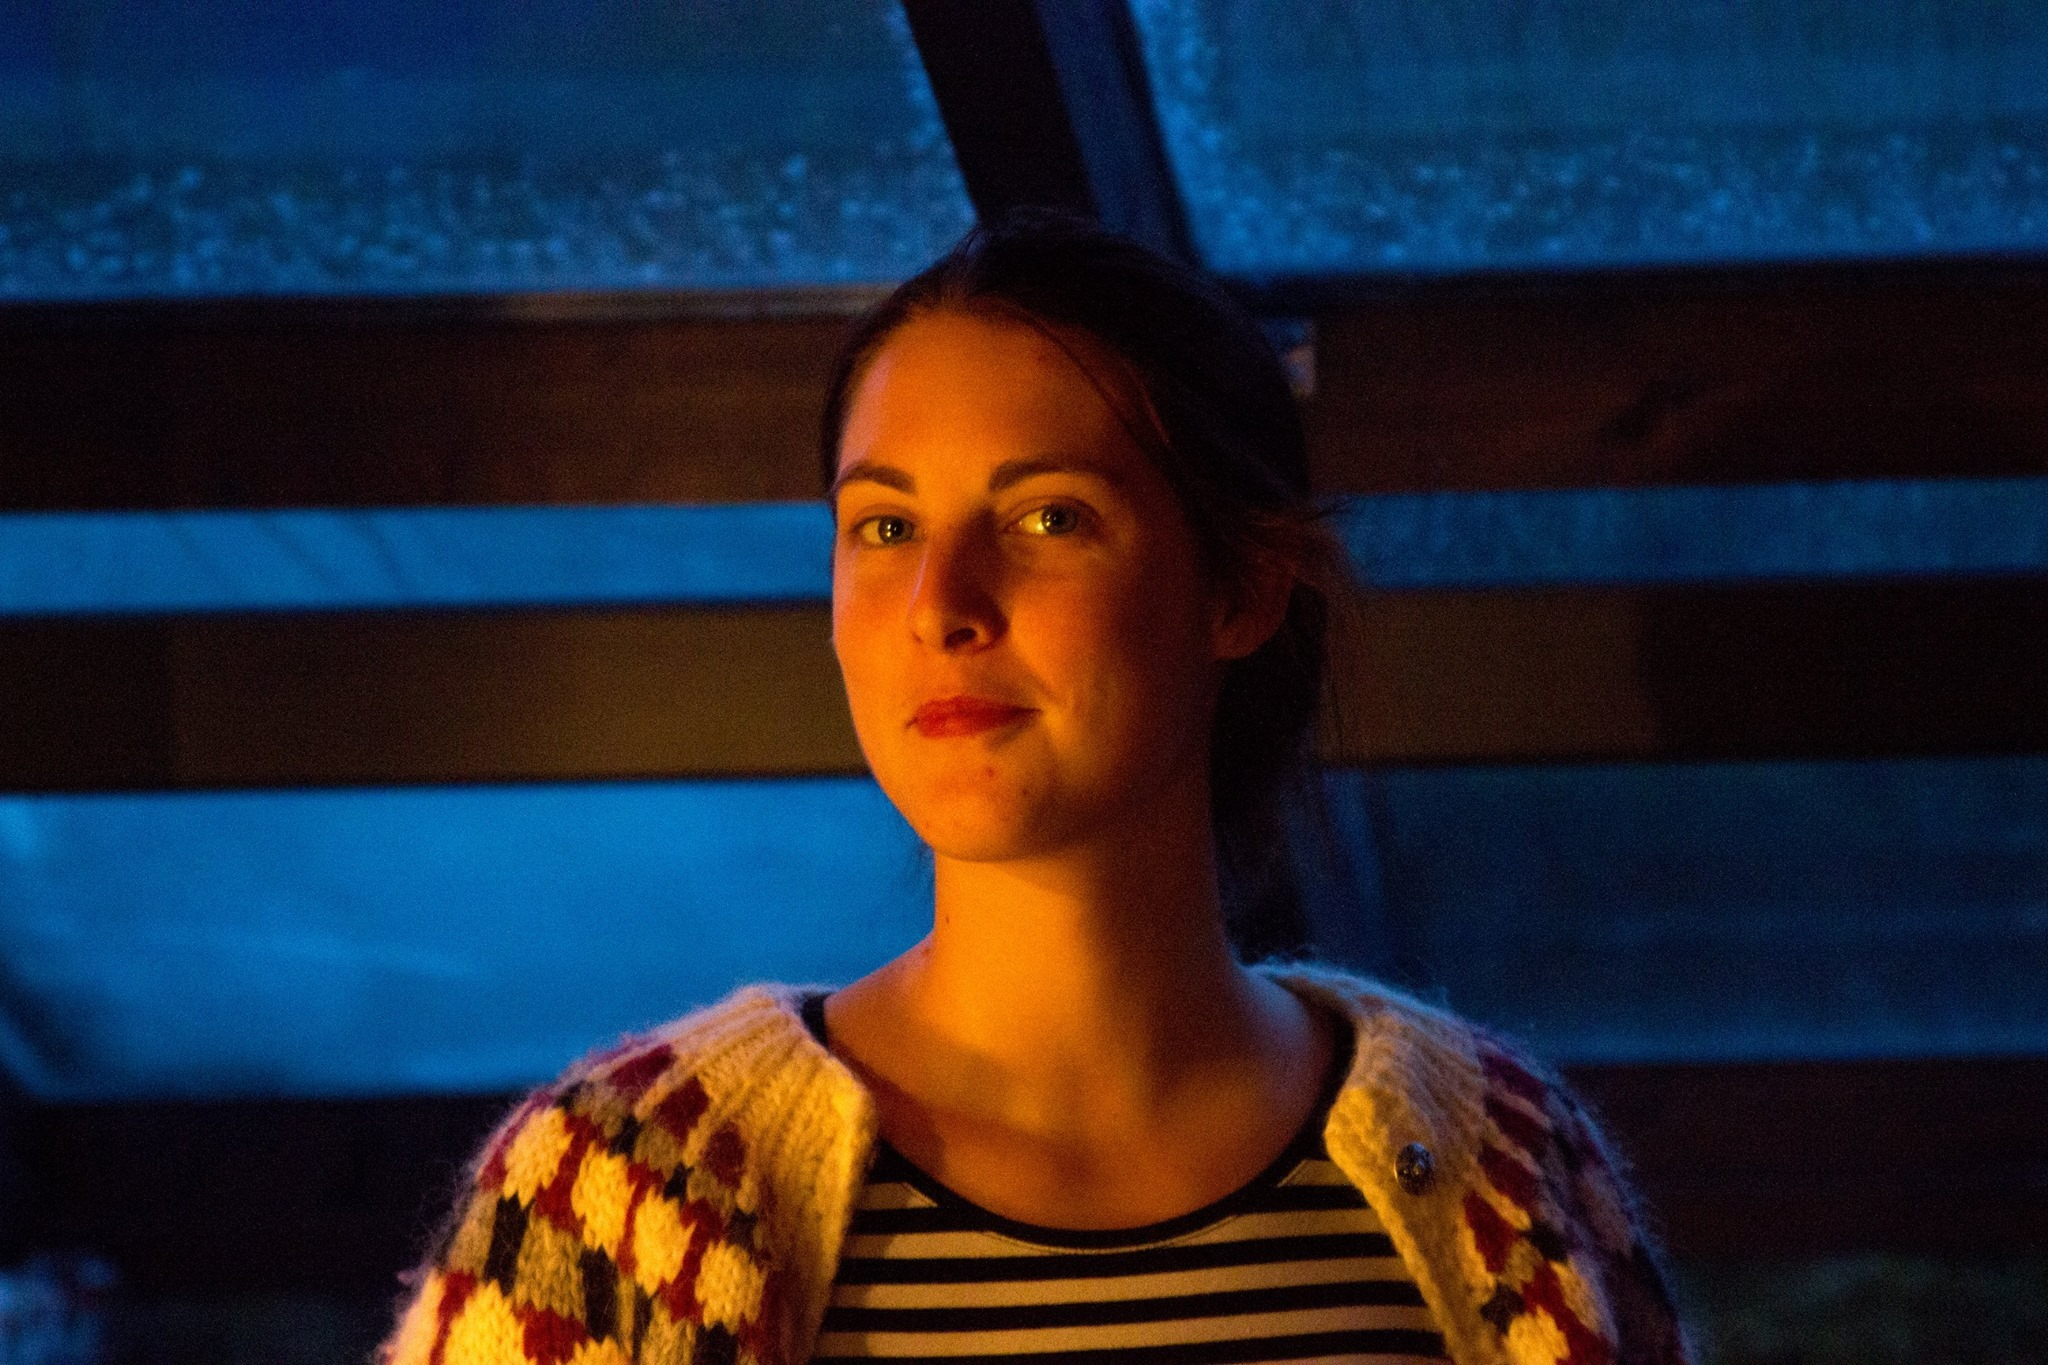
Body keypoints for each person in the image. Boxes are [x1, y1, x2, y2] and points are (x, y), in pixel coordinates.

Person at [380, 212, 1689, 1365]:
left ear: (1241, 589)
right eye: (884, 527)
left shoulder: (1500, 1165)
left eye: (1048, 518)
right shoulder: (618, 1190)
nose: (941, 604)